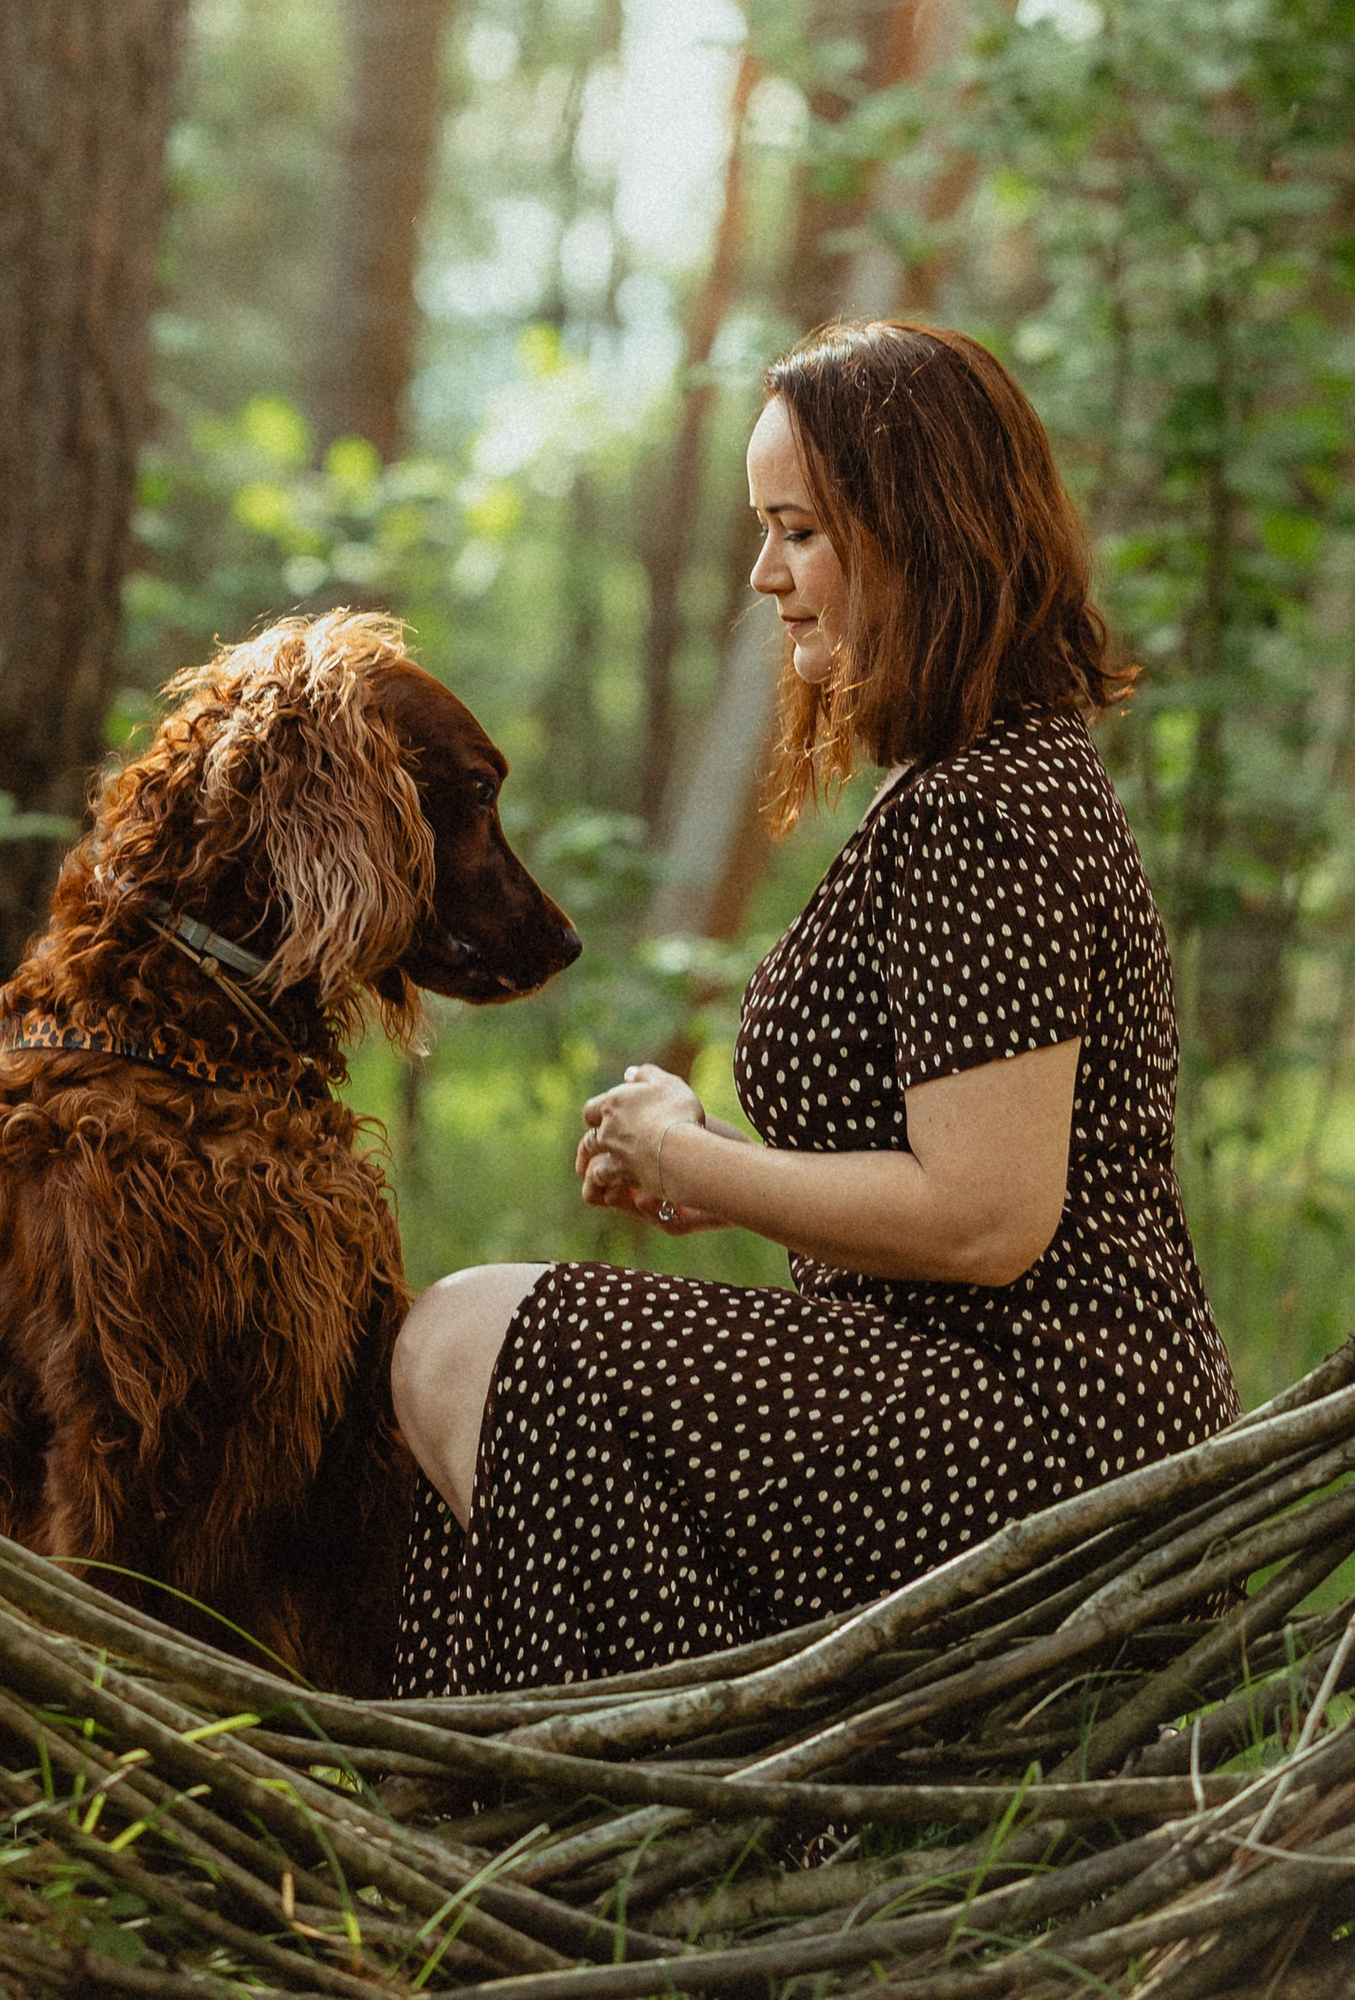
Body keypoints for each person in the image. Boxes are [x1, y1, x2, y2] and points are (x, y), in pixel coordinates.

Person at [387, 317, 1238, 1694]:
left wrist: (701, 1164)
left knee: (474, 1339)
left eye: (799, 531)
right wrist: (707, 1155)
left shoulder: (990, 810)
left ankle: (718, 1808)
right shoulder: (970, 783)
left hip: (1041, 1425)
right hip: (964, 1391)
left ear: (921, 534)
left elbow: (985, 1218)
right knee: (470, 1350)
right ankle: (619, 1795)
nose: (763, 574)